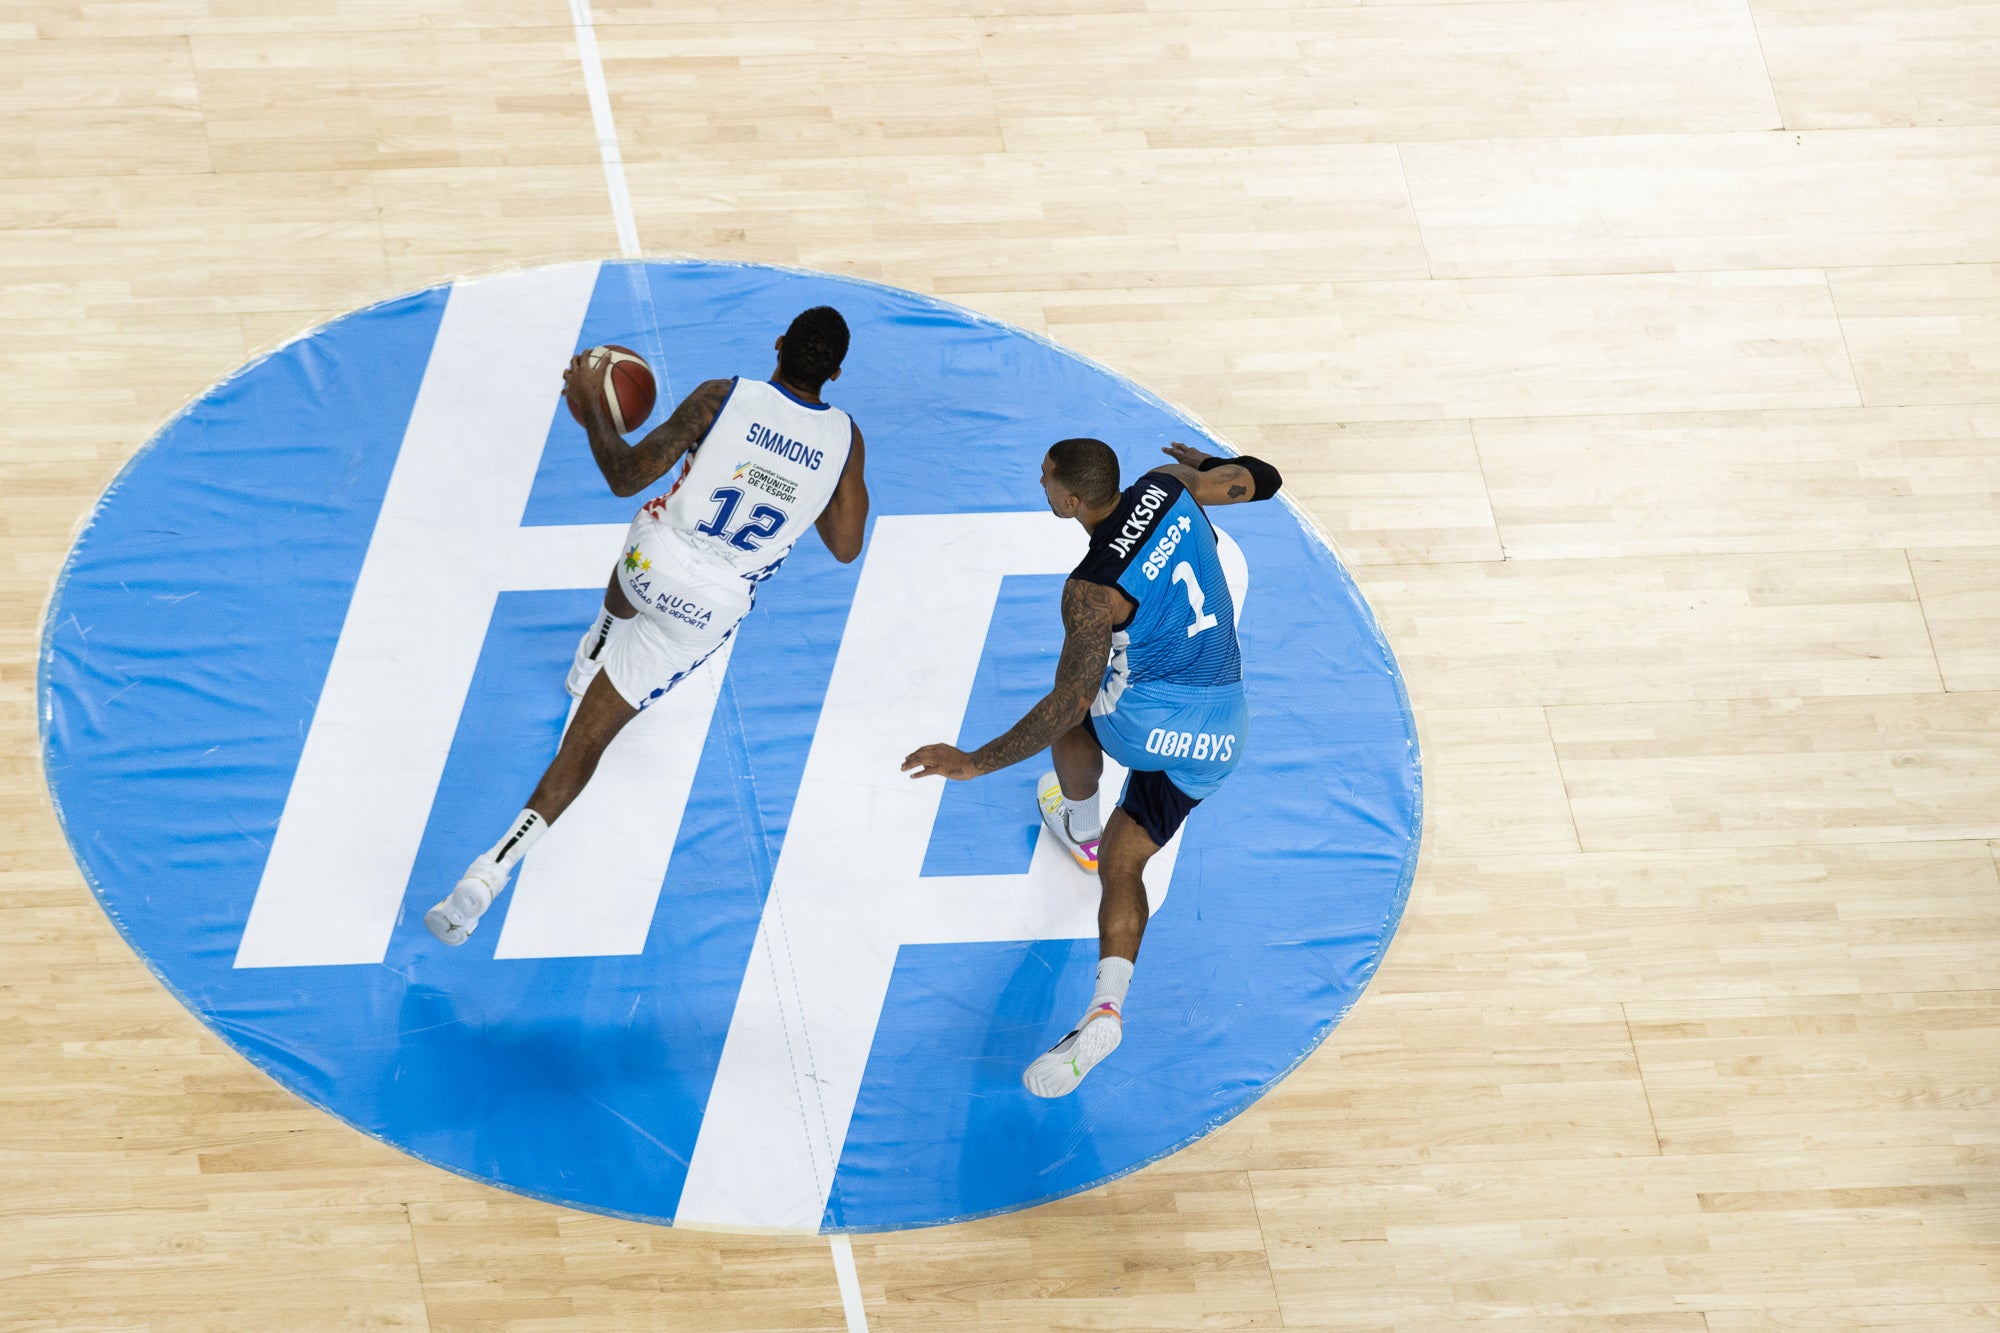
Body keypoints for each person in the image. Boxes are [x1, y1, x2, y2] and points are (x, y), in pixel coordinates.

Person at [425, 307, 869, 945]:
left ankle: (597, 643)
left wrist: (593, 402)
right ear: (836, 373)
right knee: (586, 743)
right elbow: (846, 546)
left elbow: (626, 475)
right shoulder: (846, 440)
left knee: (648, 538)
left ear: (778, 345)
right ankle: (486, 877)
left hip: (652, 561)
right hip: (710, 606)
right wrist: (808, 484)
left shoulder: (722, 396)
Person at [902, 436, 1282, 1097]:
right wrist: (1204, 467)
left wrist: (973, 763)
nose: (1041, 484)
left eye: (1047, 478)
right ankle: (1106, 1006)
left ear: (1073, 500)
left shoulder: (1090, 590)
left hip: (1148, 725)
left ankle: (1080, 825)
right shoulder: (1169, 485)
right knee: (1126, 860)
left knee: (1077, 715)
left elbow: (1066, 704)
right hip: (1224, 730)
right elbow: (1263, 479)